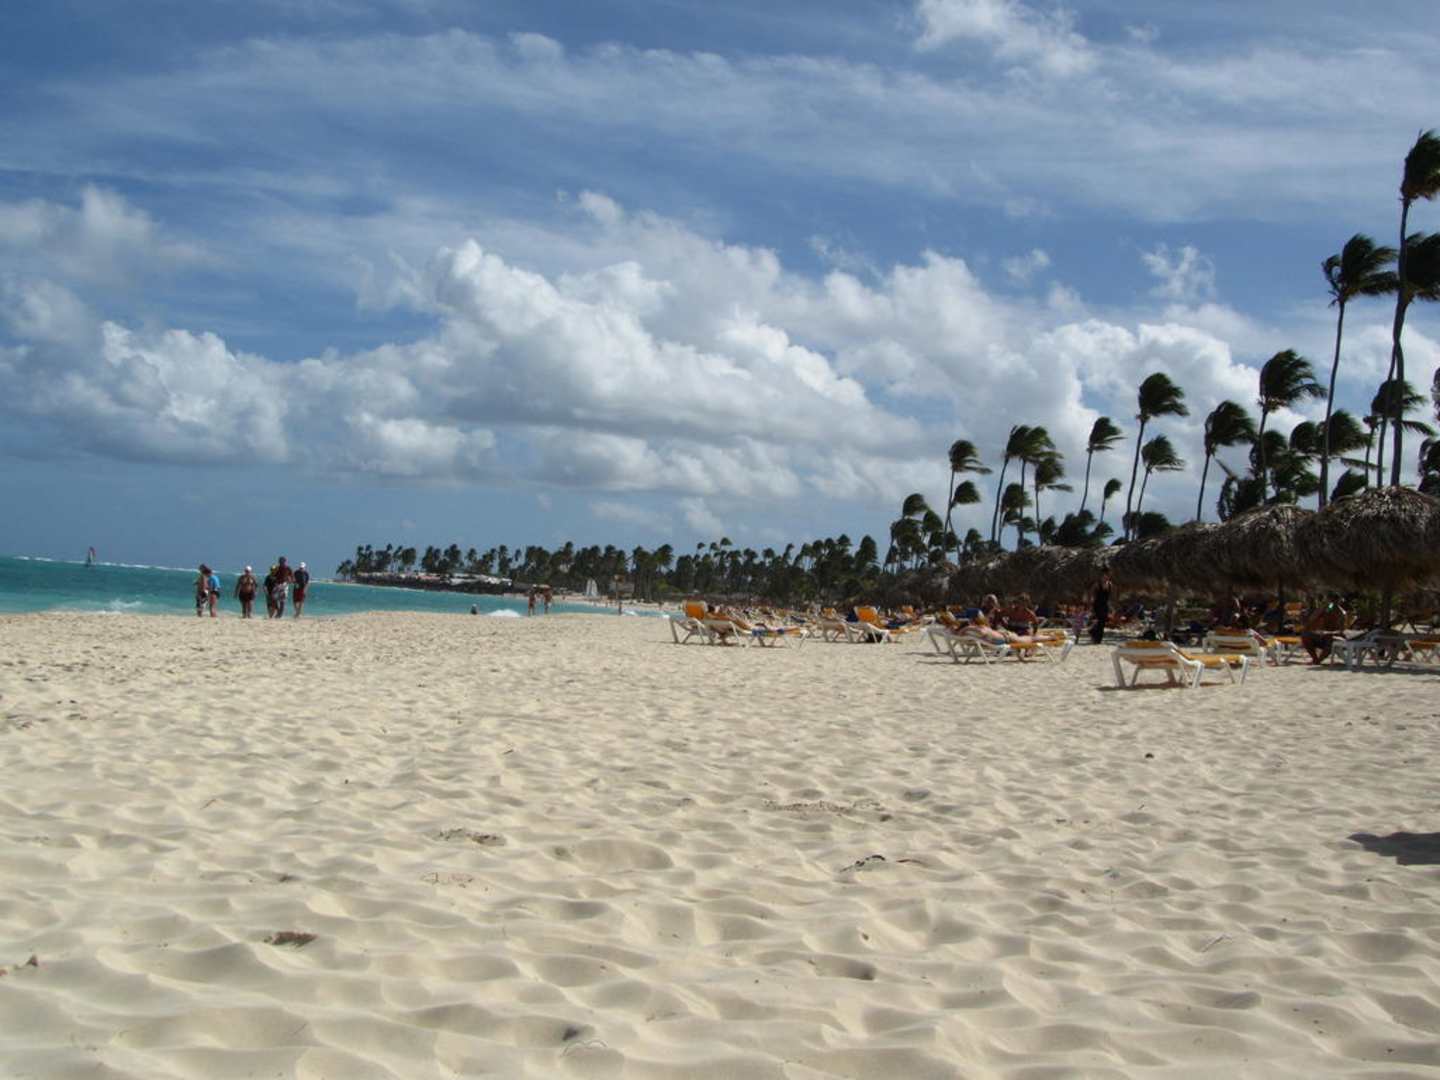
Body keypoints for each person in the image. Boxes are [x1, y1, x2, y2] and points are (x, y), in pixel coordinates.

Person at [1301, 598, 1347, 664]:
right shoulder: (1325, 612)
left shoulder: (1341, 614)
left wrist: (1329, 632)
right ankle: (1315, 659)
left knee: (1330, 638)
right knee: (1306, 636)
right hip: (1324, 638)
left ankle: (1318, 660)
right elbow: (1311, 621)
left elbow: (1343, 631)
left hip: (1336, 639)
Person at [1090, 575, 1112, 645]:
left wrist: (1111, 607)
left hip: (1105, 605)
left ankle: (1097, 638)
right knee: (1099, 621)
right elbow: (1092, 594)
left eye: (1106, 577)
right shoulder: (1097, 584)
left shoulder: (1110, 585)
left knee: (1102, 622)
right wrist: (1092, 603)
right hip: (1097, 605)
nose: (1105, 578)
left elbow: (1110, 596)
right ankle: (1096, 637)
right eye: (1103, 577)